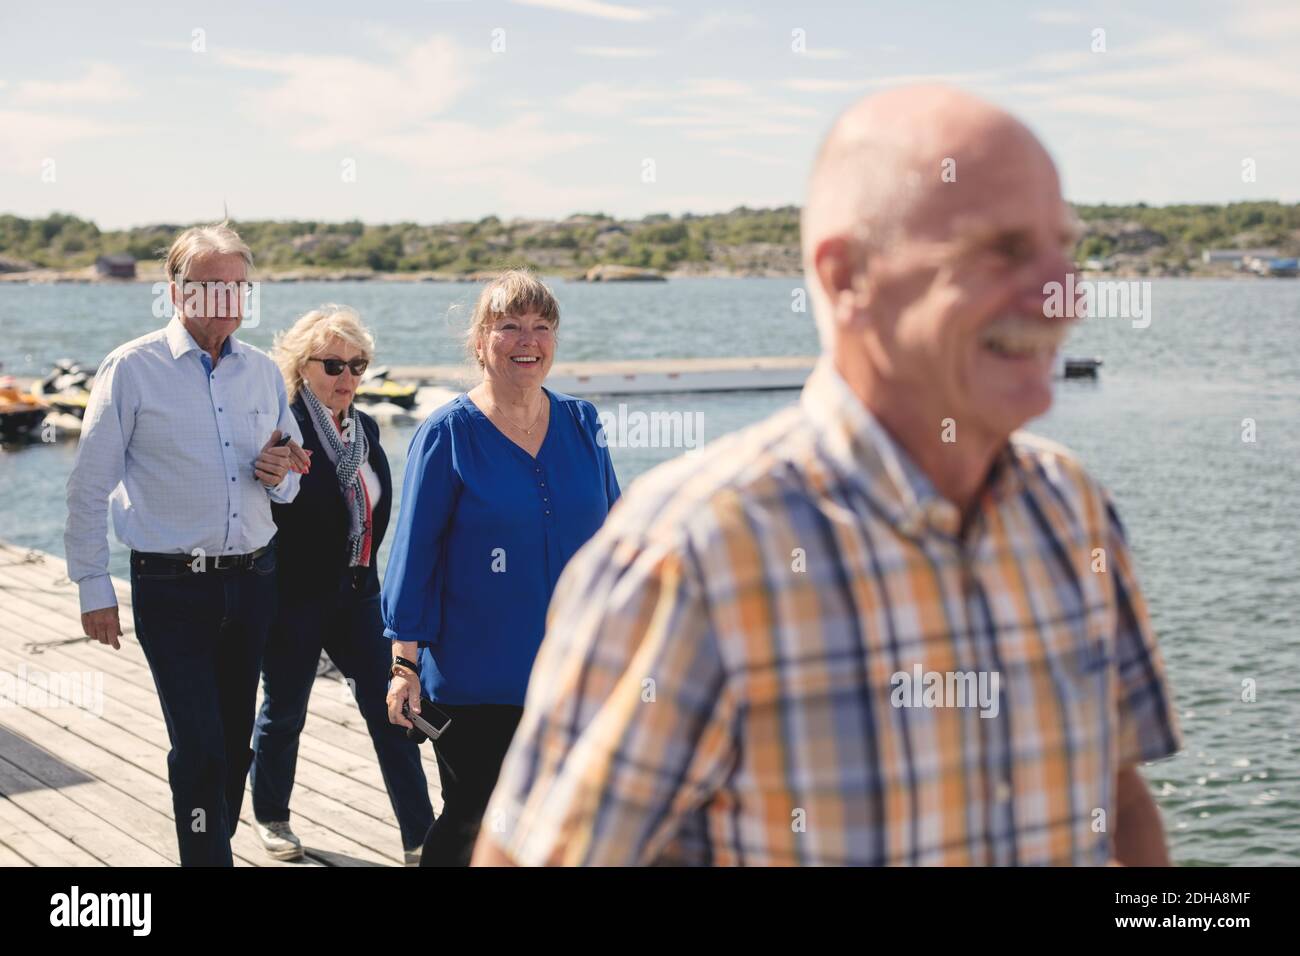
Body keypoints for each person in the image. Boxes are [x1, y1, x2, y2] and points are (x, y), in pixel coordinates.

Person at [474, 86, 1182, 866]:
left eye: (1064, 250)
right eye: (1004, 252)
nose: (1066, 296)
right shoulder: (695, 553)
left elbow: (1120, 801)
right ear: (847, 277)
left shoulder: (1073, 511)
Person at [65, 222, 310, 866]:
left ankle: (210, 836)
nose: (225, 300)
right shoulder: (132, 369)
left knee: (232, 746)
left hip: (254, 582)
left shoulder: (262, 373)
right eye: (208, 287)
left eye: (237, 287)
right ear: (176, 293)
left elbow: (287, 485)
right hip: (172, 588)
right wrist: (93, 585)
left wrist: (278, 472)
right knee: (199, 745)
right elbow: (89, 487)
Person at [383, 270, 621, 866]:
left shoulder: (582, 424)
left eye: (542, 327)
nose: (528, 340)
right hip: (474, 679)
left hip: (573, 673)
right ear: (481, 340)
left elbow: (619, 541)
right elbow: (415, 556)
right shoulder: (448, 434)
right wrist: (403, 664)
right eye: (509, 326)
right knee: (475, 819)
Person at [250, 305, 433, 865]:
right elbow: (262, 502)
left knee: (394, 711)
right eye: (333, 365)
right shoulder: (282, 429)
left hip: (359, 595)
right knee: (285, 711)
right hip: (295, 598)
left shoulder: (368, 429)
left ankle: (421, 838)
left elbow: (377, 515)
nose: (348, 378)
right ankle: (272, 815)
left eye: (359, 365)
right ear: (302, 366)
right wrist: (266, 467)